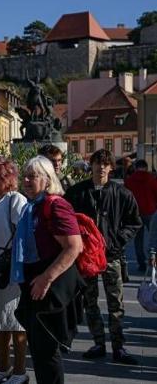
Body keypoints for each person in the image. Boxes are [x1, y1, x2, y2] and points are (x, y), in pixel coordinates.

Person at [64, 149, 140, 365]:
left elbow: (134, 222)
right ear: (92, 165)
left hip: (112, 256)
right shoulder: (78, 192)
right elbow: (66, 220)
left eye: (105, 164)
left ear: (111, 167)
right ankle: (98, 342)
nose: (101, 168)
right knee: (90, 301)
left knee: (116, 303)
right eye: (97, 163)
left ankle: (119, 346)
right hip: (86, 258)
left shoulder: (121, 193)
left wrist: (117, 240)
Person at [11, 156, 83, 384]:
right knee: (40, 352)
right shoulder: (32, 206)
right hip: (36, 284)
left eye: (32, 176)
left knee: (47, 351)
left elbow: (74, 247)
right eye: (25, 176)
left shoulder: (56, 205)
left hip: (52, 288)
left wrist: (46, 278)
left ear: (47, 179)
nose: (26, 180)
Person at [0, 157, 28, 384]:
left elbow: (24, 234)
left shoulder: (15, 200)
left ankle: (20, 371)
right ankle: (3, 367)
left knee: (16, 323)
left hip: (12, 271)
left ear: (6, 177)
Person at [124, 159, 157, 272]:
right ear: (146, 167)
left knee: (138, 240)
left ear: (136, 167)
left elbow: (126, 197)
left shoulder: (129, 180)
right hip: (150, 211)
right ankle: (153, 259)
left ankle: (141, 263)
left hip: (135, 213)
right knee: (154, 237)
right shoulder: (151, 179)